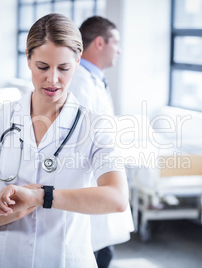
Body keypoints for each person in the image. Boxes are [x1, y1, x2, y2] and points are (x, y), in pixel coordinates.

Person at [0, 13, 129, 268]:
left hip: (67, 260)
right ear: (28, 59)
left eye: (64, 68)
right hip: (7, 259)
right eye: (42, 67)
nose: (52, 79)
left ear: (78, 61)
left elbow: (116, 199)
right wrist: (8, 210)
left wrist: (42, 197)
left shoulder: (95, 125)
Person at [68, 16, 134, 268]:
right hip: (91, 187)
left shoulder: (93, 80)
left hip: (102, 185)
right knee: (97, 255)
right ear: (99, 43)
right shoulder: (81, 83)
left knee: (102, 253)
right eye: (115, 42)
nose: (119, 49)